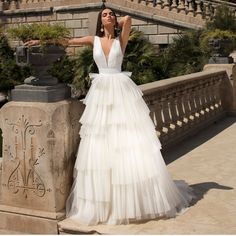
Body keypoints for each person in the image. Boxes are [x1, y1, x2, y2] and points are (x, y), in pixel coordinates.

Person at [26, 7, 194, 226]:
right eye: (105, 14)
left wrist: (117, 22)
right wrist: (38, 40)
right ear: (99, 20)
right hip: (101, 92)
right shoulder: (92, 39)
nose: (109, 16)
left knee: (126, 140)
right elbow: (68, 41)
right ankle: (103, 202)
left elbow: (129, 19)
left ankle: (134, 199)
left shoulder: (120, 40)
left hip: (121, 90)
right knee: (100, 140)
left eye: (111, 14)